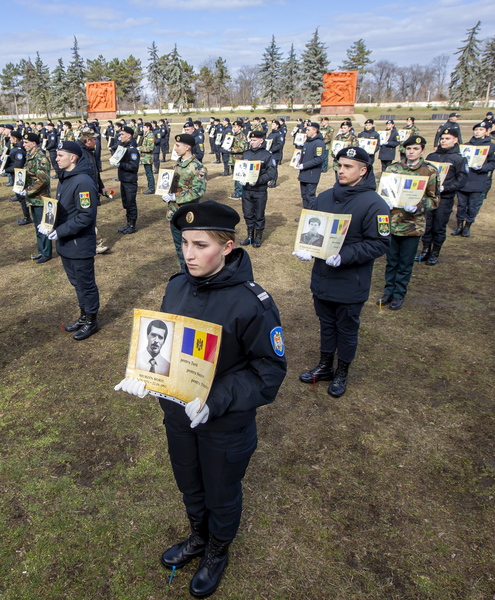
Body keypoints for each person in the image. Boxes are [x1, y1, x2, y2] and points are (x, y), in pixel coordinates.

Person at [114, 201, 286, 599]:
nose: (189, 254)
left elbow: (268, 371)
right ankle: (197, 536)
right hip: (178, 417)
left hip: (224, 425)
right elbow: (167, 343)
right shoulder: (177, 285)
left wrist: (216, 399)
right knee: (189, 482)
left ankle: (216, 551)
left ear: (227, 247)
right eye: (185, 243)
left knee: (221, 492)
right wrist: (147, 376)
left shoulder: (252, 303)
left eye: (201, 245)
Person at [293, 147, 390, 397]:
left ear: (363, 170)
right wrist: (308, 249)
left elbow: (380, 243)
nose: (341, 170)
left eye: (348, 166)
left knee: (346, 329)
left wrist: (344, 256)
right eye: (339, 165)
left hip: (350, 281)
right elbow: (313, 229)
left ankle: (342, 371)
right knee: (326, 324)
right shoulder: (325, 197)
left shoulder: (375, 204)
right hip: (323, 277)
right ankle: (325, 365)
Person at [38, 141, 100, 340]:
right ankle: (83, 316)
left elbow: (85, 215)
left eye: (60, 155)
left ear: (73, 158)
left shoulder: (83, 182)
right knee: (76, 283)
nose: (56, 159)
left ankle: (91, 321)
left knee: (85, 284)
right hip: (67, 243)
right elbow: (63, 209)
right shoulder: (66, 177)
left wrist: (60, 231)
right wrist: (48, 223)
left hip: (79, 244)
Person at [378, 135, 438, 310]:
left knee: (405, 263)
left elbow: (434, 199)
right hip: (392, 222)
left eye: (415, 149)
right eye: (409, 148)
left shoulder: (429, 171)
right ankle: (388, 291)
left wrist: (418, 207)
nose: (411, 152)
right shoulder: (393, 168)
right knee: (391, 261)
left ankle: (399, 294)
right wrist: (384, 202)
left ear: (422, 151)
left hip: (413, 225)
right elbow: (382, 191)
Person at [422, 128, 467, 265]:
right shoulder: (432, 156)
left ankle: (435, 253)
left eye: (447, 138)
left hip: (444, 199)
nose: (443, 141)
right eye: (442, 138)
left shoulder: (459, 159)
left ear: (455, 140)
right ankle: (425, 250)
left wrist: (445, 188)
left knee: (439, 226)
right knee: (427, 225)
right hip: (429, 197)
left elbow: (461, 181)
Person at [163, 134, 207, 269]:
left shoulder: (198, 167)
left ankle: (192, 272)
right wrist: (165, 192)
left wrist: (175, 197)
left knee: (191, 246)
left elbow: (198, 191)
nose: (175, 148)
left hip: (188, 214)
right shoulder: (177, 164)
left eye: (178, 145)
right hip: (174, 212)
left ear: (187, 147)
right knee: (179, 246)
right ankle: (184, 272)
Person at [452, 122, 495, 237]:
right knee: (461, 205)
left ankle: (467, 226)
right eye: (476, 129)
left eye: (481, 130)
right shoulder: (465, 145)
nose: (478, 132)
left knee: (472, 206)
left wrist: (482, 168)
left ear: (487, 131)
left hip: (478, 180)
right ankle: (459, 226)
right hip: (464, 180)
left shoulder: (491, 146)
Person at [239, 130, 276, 248]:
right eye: (251, 140)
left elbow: (272, 173)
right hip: (247, 190)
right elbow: (241, 168)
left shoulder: (267, 155)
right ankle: (250, 236)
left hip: (259, 190)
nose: (252, 142)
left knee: (259, 214)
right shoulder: (246, 154)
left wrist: (258, 180)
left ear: (261, 141)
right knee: (248, 213)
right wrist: (241, 178)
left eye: (254, 140)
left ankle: (258, 237)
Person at [20, 132, 53, 264]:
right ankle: (41, 251)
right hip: (33, 198)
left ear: (34, 143)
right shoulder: (30, 156)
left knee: (43, 226)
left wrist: (27, 191)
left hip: (41, 198)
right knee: (37, 226)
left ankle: (46, 252)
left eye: (26, 143)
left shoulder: (41, 158)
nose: (24, 145)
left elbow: (43, 180)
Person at [115, 126, 140, 234]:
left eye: (122, 134)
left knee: (130, 203)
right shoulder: (124, 147)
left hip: (130, 180)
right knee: (126, 203)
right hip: (124, 179)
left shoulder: (132, 149)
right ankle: (128, 223)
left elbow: (134, 166)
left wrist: (120, 164)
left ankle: (132, 225)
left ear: (129, 135)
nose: (120, 136)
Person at [296, 122, 325, 210]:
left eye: (308, 130)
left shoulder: (319, 143)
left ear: (315, 130)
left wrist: (304, 165)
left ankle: (311, 213)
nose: (306, 131)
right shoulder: (307, 142)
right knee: (304, 196)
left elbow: (319, 159)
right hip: (304, 174)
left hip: (312, 174)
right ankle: (305, 212)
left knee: (310, 196)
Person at [140, 122, 156, 194]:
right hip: (145, 158)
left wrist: (140, 148)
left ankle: (151, 188)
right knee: (148, 173)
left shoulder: (150, 136)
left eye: (144, 127)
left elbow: (150, 148)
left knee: (149, 173)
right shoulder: (146, 135)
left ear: (148, 127)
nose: (143, 129)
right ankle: (150, 187)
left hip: (148, 158)